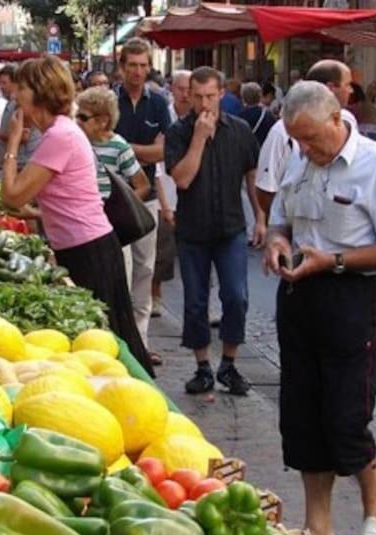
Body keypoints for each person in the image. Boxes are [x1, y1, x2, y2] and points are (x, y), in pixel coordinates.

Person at [263, 81, 376, 535]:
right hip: (300, 291)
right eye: (297, 141)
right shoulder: (299, 157)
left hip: (352, 293)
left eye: (310, 139)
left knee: (347, 413)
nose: (304, 149)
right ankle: (317, 526)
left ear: (336, 118)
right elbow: (281, 218)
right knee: (302, 412)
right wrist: (277, 241)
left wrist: (336, 261)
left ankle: (375, 505)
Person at [0, 56, 153, 376]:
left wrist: (13, 142)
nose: (15, 93)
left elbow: (12, 195)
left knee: (108, 343)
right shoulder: (60, 132)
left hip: (89, 248)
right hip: (83, 245)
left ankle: (142, 404)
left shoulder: (60, 136)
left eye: (23, 87)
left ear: (40, 91)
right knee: (107, 339)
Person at [165, 66, 265, 396]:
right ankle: (202, 367)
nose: (204, 103)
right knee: (195, 301)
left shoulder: (239, 130)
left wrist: (261, 215)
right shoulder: (180, 132)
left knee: (236, 296)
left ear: (222, 94)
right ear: (189, 95)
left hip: (230, 227)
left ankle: (229, 365)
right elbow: (182, 178)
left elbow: (251, 175)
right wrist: (198, 139)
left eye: (211, 96)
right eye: (198, 96)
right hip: (193, 229)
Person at [113, 38, 172, 365]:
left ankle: (141, 343)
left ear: (149, 67)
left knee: (145, 271)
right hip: (112, 200)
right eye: (132, 65)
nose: (137, 71)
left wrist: (122, 147)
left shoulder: (159, 103)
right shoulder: (110, 101)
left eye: (143, 65)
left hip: (145, 196)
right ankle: (121, 341)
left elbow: (164, 151)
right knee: (119, 270)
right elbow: (98, 144)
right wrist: (143, 149)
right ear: (122, 67)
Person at [256, 60, 356, 216]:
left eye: (311, 137)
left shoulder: (348, 122)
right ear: (330, 88)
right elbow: (265, 188)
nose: (351, 91)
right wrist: (284, 225)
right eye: (347, 84)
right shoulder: (281, 132)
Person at [152, 69, 191, 317]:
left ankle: (199, 304)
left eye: (190, 90)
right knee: (162, 252)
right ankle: (155, 295)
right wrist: (164, 203)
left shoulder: (202, 120)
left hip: (192, 194)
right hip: (166, 191)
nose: (185, 95)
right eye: (181, 89)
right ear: (172, 89)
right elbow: (156, 161)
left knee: (196, 254)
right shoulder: (163, 118)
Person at [75, 86, 150, 201]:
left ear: (103, 121)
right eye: (76, 116)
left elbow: (143, 186)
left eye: (83, 117)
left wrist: (122, 209)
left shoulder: (119, 148)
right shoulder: (78, 142)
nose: (78, 121)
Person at [0, 65, 40, 175]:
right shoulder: (11, 102)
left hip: (20, 165)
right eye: (0, 83)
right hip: (9, 162)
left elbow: (23, 135)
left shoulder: (21, 105)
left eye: (4, 83)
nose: (1, 87)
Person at [239, 81, 275, 146]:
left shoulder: (239, 117)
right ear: (260, 96)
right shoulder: (268, 115)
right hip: (263, 149)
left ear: (243, 97)